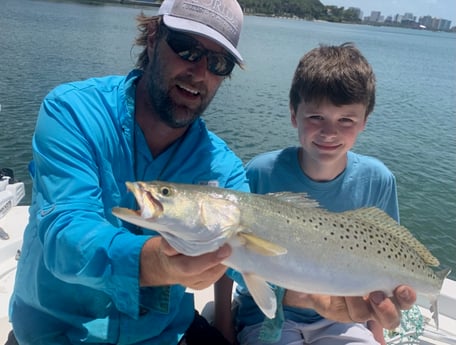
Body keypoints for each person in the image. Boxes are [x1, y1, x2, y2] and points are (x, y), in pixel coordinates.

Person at [8, 0, 248, 344]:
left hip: (164, 334)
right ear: (152, 39)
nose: (200, 72)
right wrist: (158, 264)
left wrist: (317, 296)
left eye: (219, 62)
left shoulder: (223, 170)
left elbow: (255, 259)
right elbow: (66, 237)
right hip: (57, 334)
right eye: (186, 49)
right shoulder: (73, 113)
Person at [216, 43, 416, 345]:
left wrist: (378, 338)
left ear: (364, 121)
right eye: (316, 117)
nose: (329, 132)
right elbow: (224, 253)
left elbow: (382, 262)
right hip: (268, 316)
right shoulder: (260, 172)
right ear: (294, 114)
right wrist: (222, 326)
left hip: (345, 318)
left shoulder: (378, 180)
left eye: (346, 120)